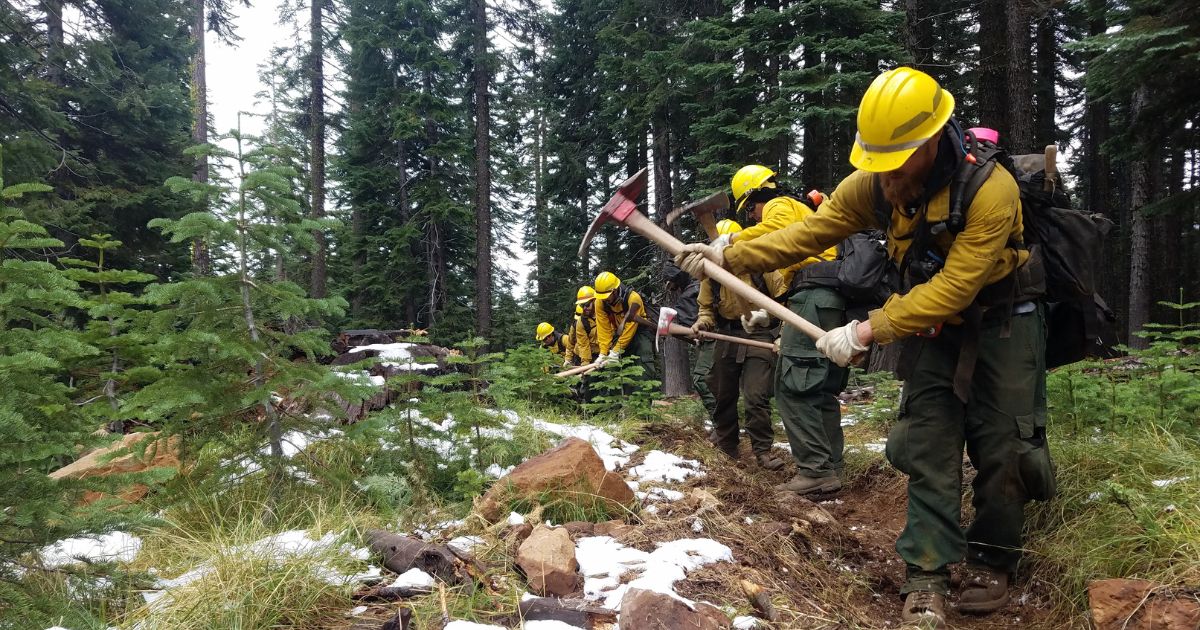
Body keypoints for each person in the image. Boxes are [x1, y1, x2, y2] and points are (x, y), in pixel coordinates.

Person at [676, 67, 1050, 628]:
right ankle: (926, 575)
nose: (885, 176)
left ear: (929, 143)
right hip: (931, 330)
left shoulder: (989, 191)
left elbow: (955, 288)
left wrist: (865, 331)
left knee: (1006, 448)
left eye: (896, 162)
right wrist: (729, 256)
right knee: (927, 441)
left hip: (1004, 321)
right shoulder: (873, 182)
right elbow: (808, 234)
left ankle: (992, 561)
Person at [727, 164, 847, 496]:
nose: (751, 219)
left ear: (754, 198)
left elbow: (775, 230)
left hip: (815, 295)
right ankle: (831, 468)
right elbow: (793, 267)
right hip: (825, 297)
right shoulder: (801, 210)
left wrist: (732, 240)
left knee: (794, 386)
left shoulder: (780, 205)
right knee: (820, 389)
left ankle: (816, 472)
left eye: (749, 210)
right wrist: (770, 314)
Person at [693, 219, 786, 470]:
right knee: (723, 394)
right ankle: (727, 446)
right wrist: (703, 322)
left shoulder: (761, 263)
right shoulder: (710, 272)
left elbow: (785, 299)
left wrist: (780, 331)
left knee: (756, 395)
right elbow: (705, 307)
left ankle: (762, 451)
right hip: (727, 335)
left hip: (759, 335)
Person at [664, 261, 716, 414]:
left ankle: (720, 423)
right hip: (720, 339)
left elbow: (694, 332)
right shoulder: (702, 285)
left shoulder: (688, 296)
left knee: (702, 379)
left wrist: (672, 329)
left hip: (712, 342)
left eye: (671, 283)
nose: (671, 288)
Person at [592, 271, 657, 380]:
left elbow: (630, 328)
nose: (604, 299)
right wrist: (603, 353)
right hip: (620, 333)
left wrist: (616, 351)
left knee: (643, 368)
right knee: (615, 372)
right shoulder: (599, 302)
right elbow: (603, 329)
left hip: (640, 332)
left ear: (615, 290)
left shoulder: (633, 298)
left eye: (606, 296)